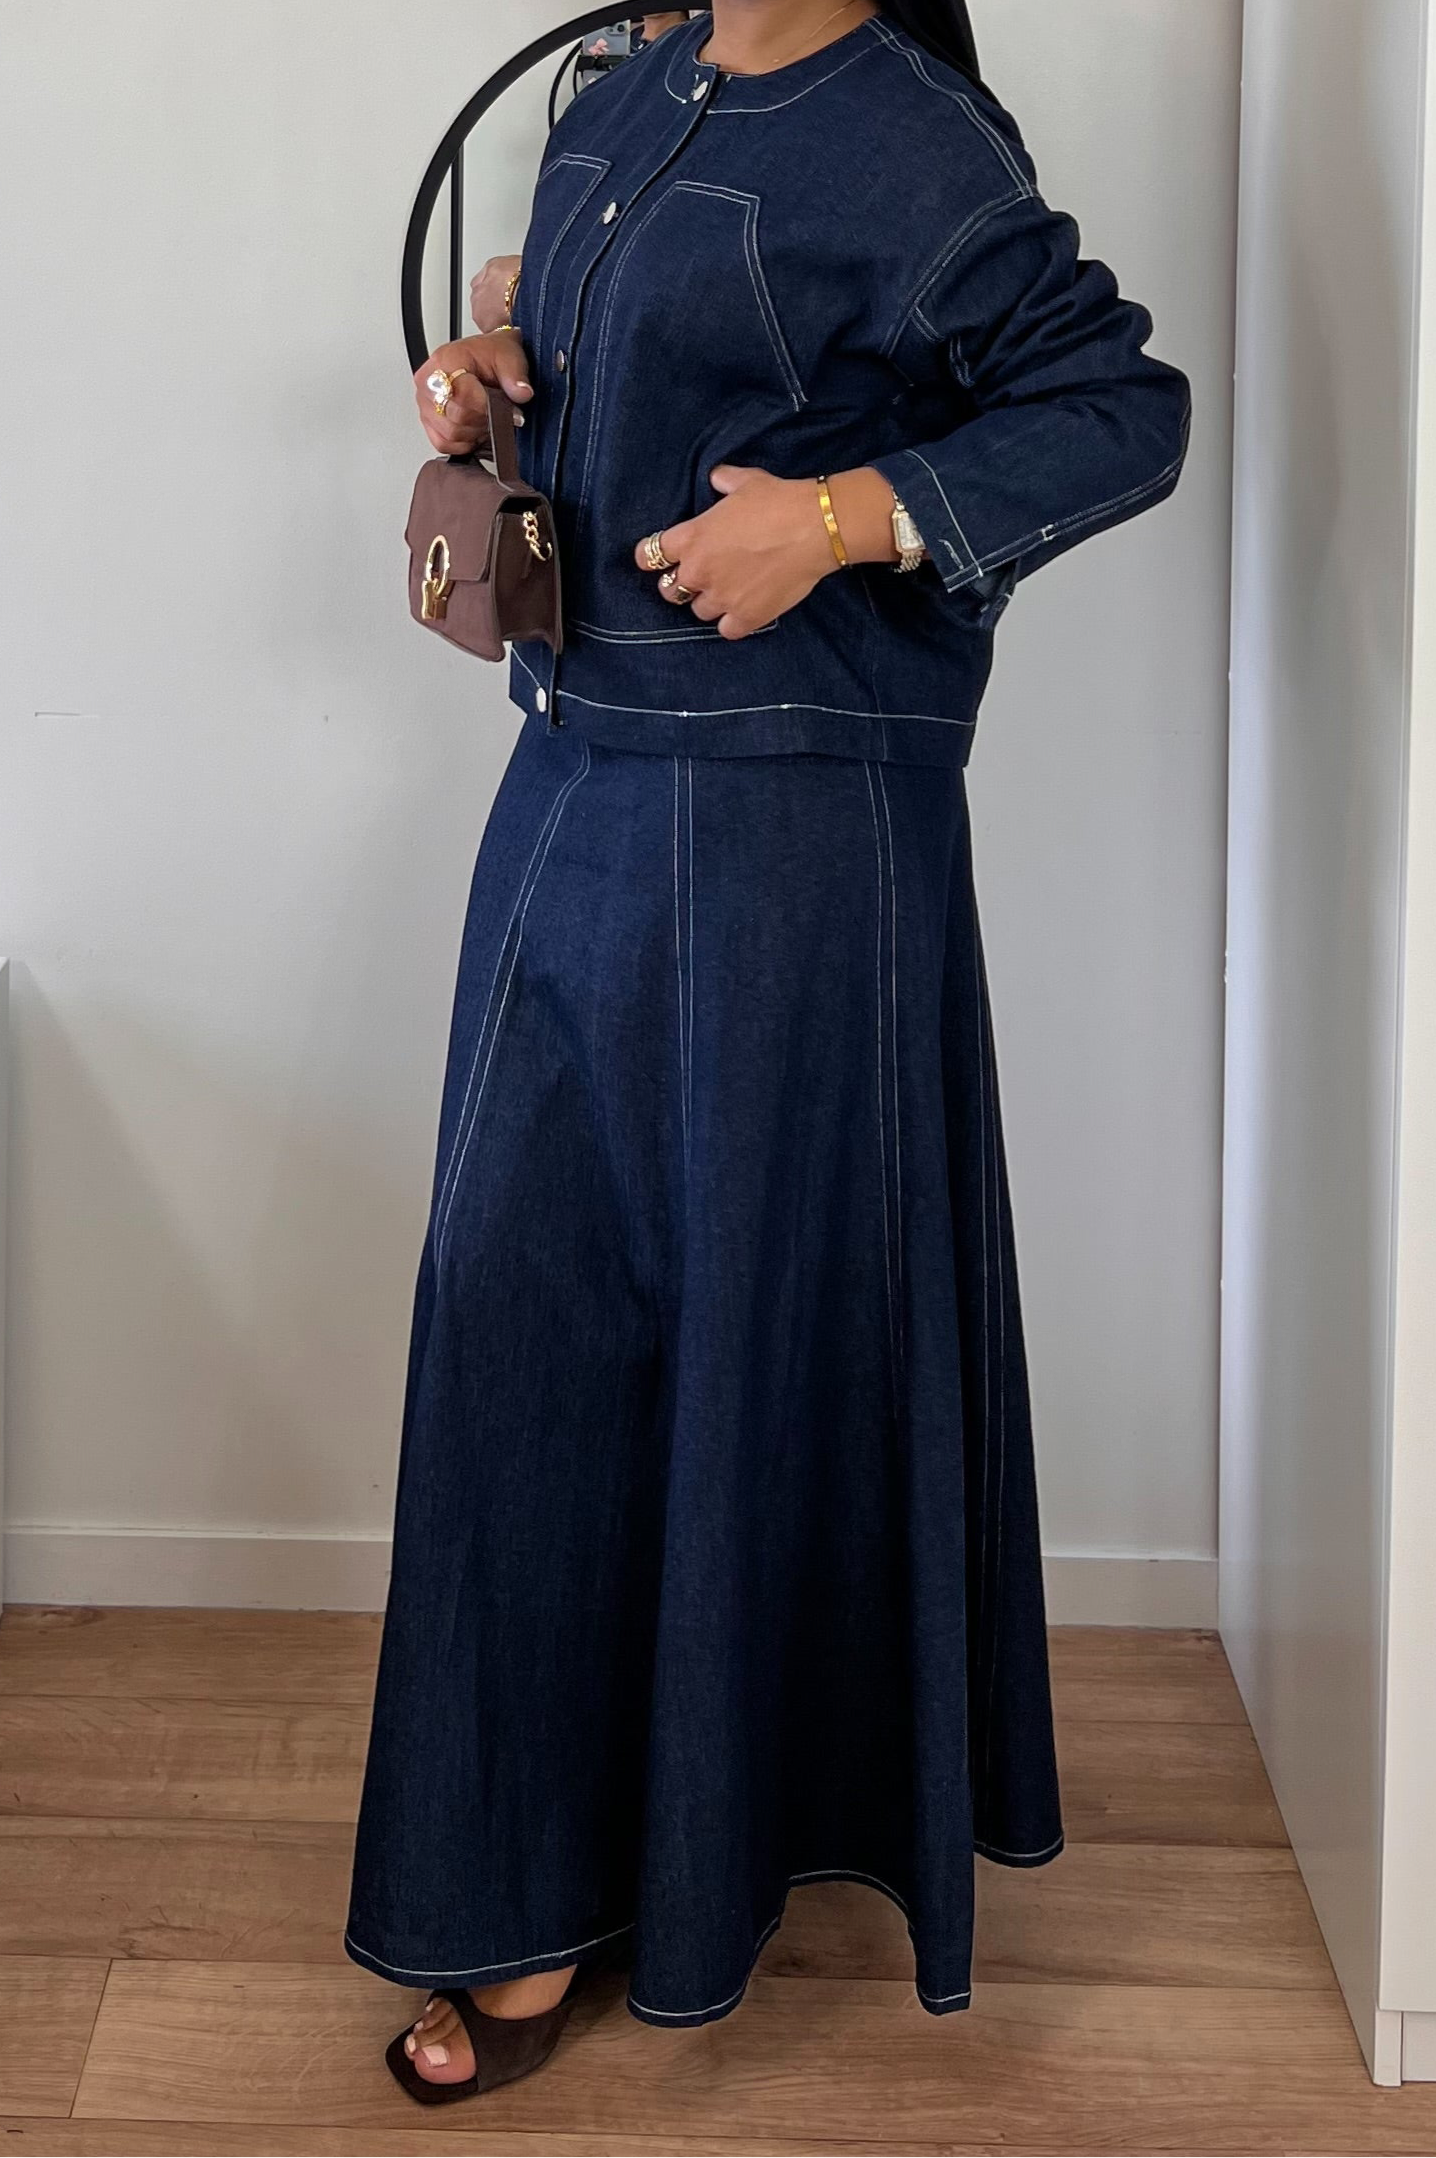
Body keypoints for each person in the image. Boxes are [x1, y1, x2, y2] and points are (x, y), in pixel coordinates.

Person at [348, 0, 1191, 2108]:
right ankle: (530, 1865)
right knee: (521, 1320)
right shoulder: (628, 83)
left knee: (752, 1333)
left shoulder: (916, 143)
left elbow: (1120, 406)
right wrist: (491, 368)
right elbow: (613, 342)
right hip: (574, 781)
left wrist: (838, 521)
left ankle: (659, 1868)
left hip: (800, 835)